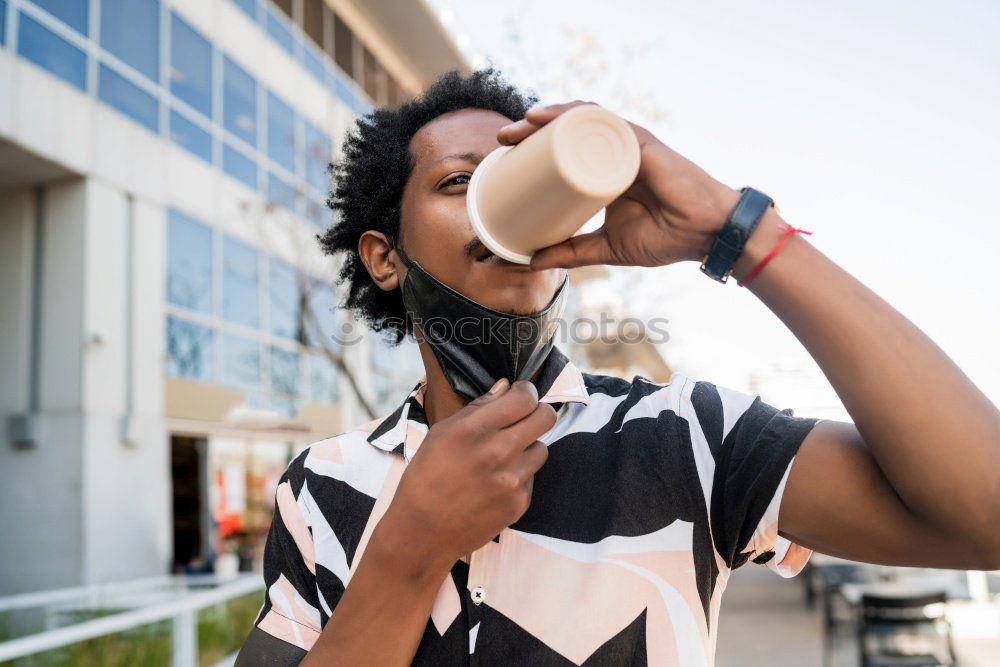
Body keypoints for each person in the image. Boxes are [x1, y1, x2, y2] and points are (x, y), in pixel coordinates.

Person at [235, 68, 1000, 666]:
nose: (500, 204)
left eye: (523, 177)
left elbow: (986, 514)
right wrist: (410, 546)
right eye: (460, 181)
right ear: (384, 256)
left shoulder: (687, 437)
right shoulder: (322, 483)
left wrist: (739, 233)